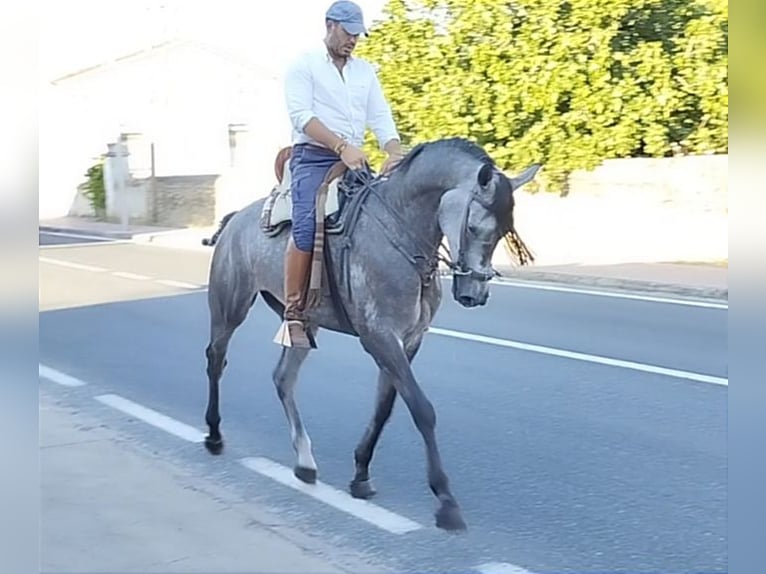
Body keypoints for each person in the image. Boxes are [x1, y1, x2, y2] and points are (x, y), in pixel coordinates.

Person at [276, 0, 404, 348]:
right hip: (313, 158)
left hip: (355, 161)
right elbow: (301, 116)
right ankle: (293, 313)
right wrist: (340, 146)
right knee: (306, 224)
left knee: (387, 214)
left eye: (357, 35)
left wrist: (392, 148)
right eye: (348, 33)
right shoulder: (304, 66)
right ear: (330, 25)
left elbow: (380, 115)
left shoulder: (366, 71)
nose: (353, 40)